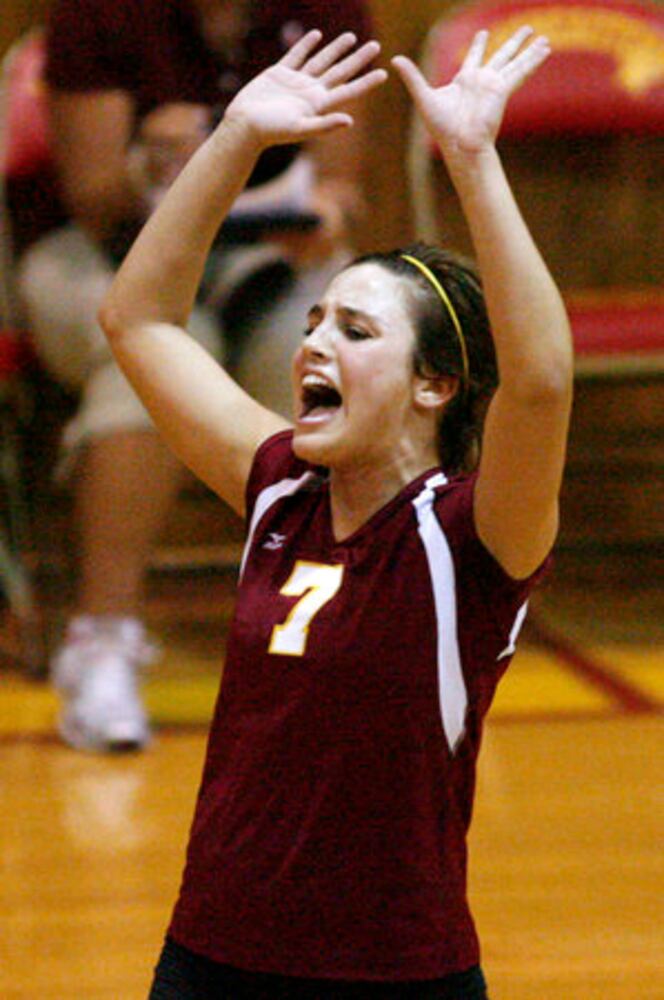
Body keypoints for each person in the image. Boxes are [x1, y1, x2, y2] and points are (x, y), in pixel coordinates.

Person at [99, 23, 573, 999]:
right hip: (210, 958)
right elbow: (138, 319)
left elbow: (539, 383)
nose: (313, 344)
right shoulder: (278, 488)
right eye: (315, 321)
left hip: (394, 974)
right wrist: (235, 139)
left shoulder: (474, 536)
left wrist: (473, 163)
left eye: (355, 330)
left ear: (435, 385)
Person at [13, 0, 374, 753]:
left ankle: (317, 635)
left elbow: (342, 184)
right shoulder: (98, 13)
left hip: (265, 256)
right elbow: (92, 200)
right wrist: (149, 162)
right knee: (156, 359)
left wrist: (328, 214)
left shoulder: (328, 6)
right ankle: (102, 643)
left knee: (333, 353)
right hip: (102, 255)